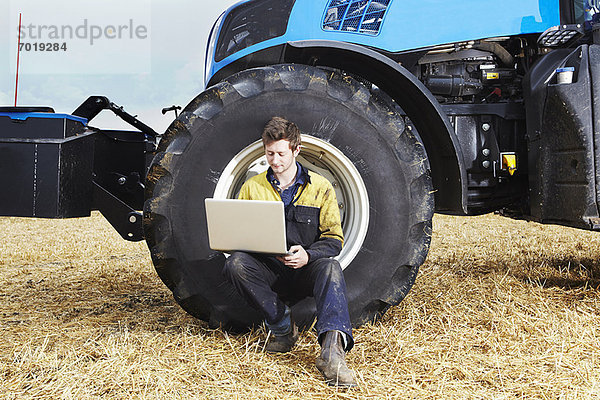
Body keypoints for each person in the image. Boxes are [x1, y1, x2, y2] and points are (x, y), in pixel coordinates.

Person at [223, 116, 357, 387]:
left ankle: (332, 353)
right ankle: (283, 327)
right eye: (269, 153)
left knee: (331, 267)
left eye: (281, 153)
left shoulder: (321, 187)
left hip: (306, 269)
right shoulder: (252, 188)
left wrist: (308, 255)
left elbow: (334, 240)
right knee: (236, 264)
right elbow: (237, 235)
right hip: (269, 270)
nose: (275, 160)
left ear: (296, 150)